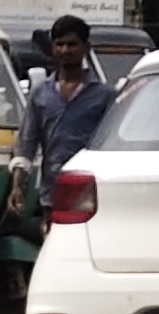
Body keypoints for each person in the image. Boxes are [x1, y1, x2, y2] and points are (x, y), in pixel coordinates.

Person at [23, 16, 113, 192]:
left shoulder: (104, 96)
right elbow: (27, 142)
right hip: (50, 189)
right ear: (53, 48)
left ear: (86, 47)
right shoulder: (41, 94)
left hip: (89, 190)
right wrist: (18, 186)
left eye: (72, 44)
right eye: (60, 44)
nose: (65, 50)